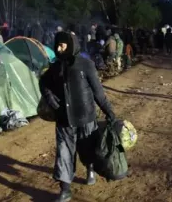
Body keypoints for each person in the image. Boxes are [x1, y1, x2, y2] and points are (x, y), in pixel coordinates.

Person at [39, 32, 116, 202]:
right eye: (57, 45)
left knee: (87, 148)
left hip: (86, 117)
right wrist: (51, 100)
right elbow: (43, 82)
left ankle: (89, 169)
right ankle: (65, 190)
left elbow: (98, 93)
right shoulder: (55, 67)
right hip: (63, 119)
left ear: (71, 45)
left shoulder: (86, 65)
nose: (59, 49)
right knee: (64, 153)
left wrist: (110, 113)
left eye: (63, 45)